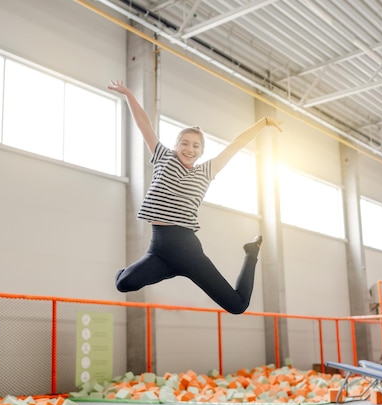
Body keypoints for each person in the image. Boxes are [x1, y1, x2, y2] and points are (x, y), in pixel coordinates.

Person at [108, 79, 281, 315]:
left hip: (187, 250)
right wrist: (128, 93)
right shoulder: (163, 157)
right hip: (158, 249)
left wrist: (263, 122)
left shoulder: (206, 171)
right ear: (176, 144)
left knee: (237, 306)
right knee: (122, 284)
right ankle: (169, 269)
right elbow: (144, 124)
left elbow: (236, 144)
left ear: (201, 151)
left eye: (196, 146)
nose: (190, 149)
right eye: (185, 143)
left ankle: (251, 252)